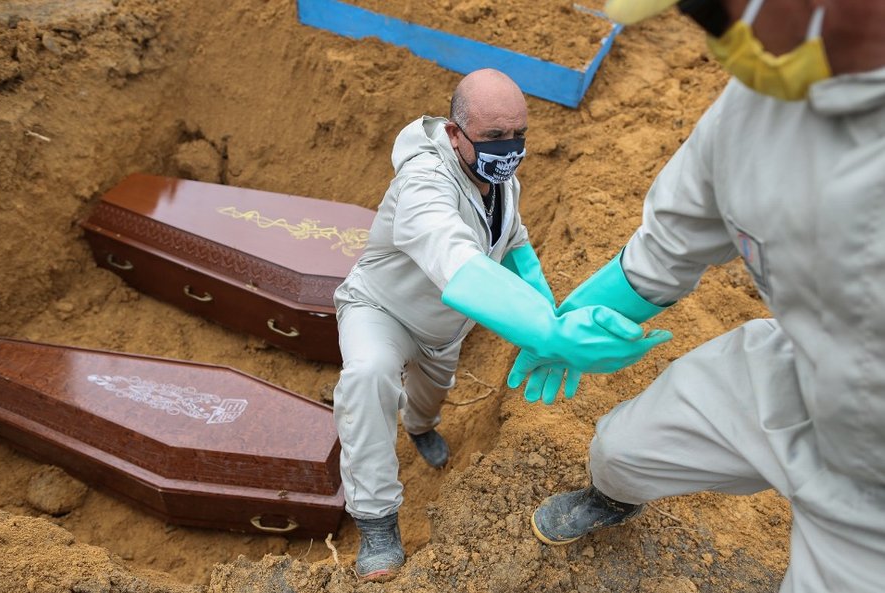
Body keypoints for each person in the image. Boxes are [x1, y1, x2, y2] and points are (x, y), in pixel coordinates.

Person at [516, 1, 885, 591]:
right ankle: (613, 499)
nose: (714, 31)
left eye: (713, 9)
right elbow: (669, 244)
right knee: (622, 449)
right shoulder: (753, 111)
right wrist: (574, 322)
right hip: (801, 366)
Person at [331, 68, 670, 582]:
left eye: (518, 134)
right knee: (369, 374)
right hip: (382, 310)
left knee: (428, 399)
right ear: (453, 133)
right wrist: (544, 331)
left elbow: (514, 247)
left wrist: (549, 315)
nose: (509, 147)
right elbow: (455, 257)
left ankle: (419, 426)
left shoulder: (500, 179)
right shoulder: (423, 182)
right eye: (493, 137)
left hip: (446, 329)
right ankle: (376, 520)